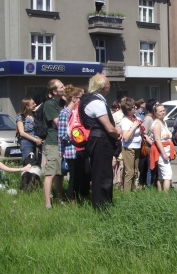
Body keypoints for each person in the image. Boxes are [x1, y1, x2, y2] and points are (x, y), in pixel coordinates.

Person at [80, 74, 121, 210]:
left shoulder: (88, 99)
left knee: (100, 173)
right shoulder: (96, 102)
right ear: (103, 87)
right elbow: (108, 127)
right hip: (100, 140)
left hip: (96, 140)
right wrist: (117, 135)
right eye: (109, 83)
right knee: (103, 175)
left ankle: (102, 204)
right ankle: (102, 207)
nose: (110, 85)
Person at [57, 85, 89, 203]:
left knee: (86, 174)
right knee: (74, 178)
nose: (82, 100)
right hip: (71, 150)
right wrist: (77, 137)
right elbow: (61, 134)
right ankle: (72, 201)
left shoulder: (78, 113)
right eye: (81, 98)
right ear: (74, 98)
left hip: (82, 148)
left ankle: (85, 198)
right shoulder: (64, 113)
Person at [42, 79, 65, 209]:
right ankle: (48, 203)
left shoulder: (62, 102)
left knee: (60, 173)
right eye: (62, 86)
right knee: (51, 173)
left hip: (62, 142)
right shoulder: (49, 105)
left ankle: (59, 198)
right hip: (52, 142)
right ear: (55, 91)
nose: (65, 87)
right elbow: (59, 123)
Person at [120, 97, 143, 192]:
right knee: (129, 172)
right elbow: (125, 138)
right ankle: (126, 194)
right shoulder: (125, 121)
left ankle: (134, 190)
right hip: (129, 148)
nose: (135, 108)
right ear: (128, 109)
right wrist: (133, 127)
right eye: (133, 107)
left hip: (137, 146)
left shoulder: (135, 118)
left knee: (135, 171)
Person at [150, 104, 175, 192]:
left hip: (166, 150)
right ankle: (166, 195)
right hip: (160, 151)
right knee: (168, 174)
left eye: (164, 110)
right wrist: (163, 153)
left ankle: (160, 194)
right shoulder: (157, 124)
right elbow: (157, 139)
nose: (163, 112)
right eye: (160, 111)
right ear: (155, 113)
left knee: (161, 174)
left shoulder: (164, 122)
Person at [16, 98, 42, 162]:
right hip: (26, 142)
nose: (35, 104)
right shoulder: (21, 117)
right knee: (29, 162)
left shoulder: (35, 115)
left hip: (37, 143)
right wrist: (35, 140)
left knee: (37, 163)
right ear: (27, 106)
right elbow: (22, 132)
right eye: (33, 103)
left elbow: (41, 105)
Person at [141, 99, 157, 188]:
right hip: (150, 146)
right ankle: (149, 187)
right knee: (151, 168)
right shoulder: (148, 118)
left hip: (155, 146)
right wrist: (152, 143)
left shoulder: (154, 118)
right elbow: (144, 133)